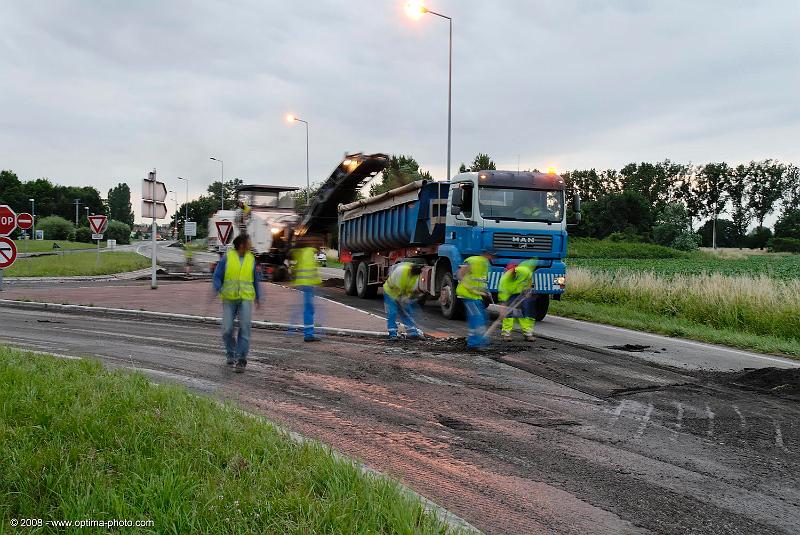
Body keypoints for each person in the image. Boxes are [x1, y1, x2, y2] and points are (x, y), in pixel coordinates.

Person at [212, 234, 261, 372]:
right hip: (229, 298)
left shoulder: (251, 259)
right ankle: (231, 352)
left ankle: (241, 359)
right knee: (226, 330)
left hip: (246, 298)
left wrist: (258, 297)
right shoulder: (227, 258)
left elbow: (255, 279)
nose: (250, 245)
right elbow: (217, 276)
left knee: (245, 329)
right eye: (249, 242)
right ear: (241, 245)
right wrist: (218, 288)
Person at [456, 252, 493, 349]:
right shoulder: (473, 261)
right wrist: (470, 288)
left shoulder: (485, 264)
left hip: (476, 296)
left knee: (483, 317)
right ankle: (474, 343)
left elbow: (481, 281)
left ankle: (480, 340)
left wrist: (486, 292)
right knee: (477, 319)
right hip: (467, 295)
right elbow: (459, 275)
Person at [383, 262, 423, 340]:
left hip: (400, 294)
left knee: (406, 313)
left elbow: (410, 289)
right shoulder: (400, 271)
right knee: (392, 312)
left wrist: (409, 298)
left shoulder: (415, 276)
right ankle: (392, 334)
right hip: (390, 293)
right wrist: (403, 301)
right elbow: (397, 287)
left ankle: (412, 332)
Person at [290, 243, 321, 342]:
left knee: (309, 309)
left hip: (306, 284)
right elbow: (310, 271)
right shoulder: (309, 253)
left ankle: (309, 333)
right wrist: (318, 282)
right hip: (307, 285)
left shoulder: (306, 252)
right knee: (309, 309)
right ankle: (308, 334)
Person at [498, 263, 535, 341]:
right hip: (509, 295)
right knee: (508, 313)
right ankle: (506, 334)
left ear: (515, 270)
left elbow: (529, 276)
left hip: (521, 293)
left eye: (513, 272)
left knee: (524, 312)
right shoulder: (504, 280)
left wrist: (528, 288)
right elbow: (503, 297)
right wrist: (502, 309)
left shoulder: (523, 271)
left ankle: (527, 333)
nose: (512, 274)